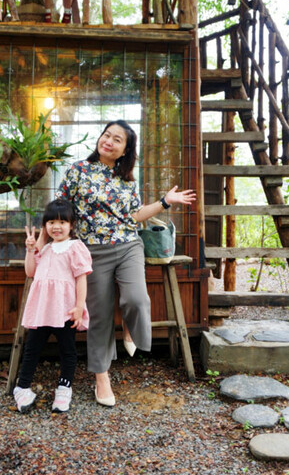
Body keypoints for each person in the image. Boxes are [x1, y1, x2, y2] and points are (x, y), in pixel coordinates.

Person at [56, 120, 196, 406]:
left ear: (124, 151)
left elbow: (134, 216)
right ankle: (101, 377)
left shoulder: (128, 181)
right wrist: (53, 244)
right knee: (99, 316)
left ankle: (131, 329)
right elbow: (61, 207)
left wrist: (165, 202)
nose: (108, 141)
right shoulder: (78, 170)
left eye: (117, 139)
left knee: (136, 300)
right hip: (91, 250)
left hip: (128, 245)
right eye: (106, 135)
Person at [12, 199, 92, 414]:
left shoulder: (75, 247)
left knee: (68, 349)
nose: (56, 227)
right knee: (32, 348)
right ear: (45, 225)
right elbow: (30, 272)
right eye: (51, 222)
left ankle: (64, 388)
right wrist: (30, 250)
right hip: (41, 309)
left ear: (72, 225)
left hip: (64, 309)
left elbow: (81, 278)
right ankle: (22, 387)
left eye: (62, 222)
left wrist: (78, 306)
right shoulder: (44, 248)